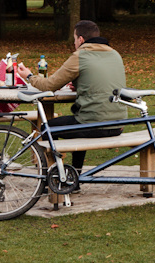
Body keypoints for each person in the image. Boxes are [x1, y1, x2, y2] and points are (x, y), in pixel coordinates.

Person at [26, 19, 127, 175]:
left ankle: (51, 177)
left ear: (80, 39)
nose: (74, 44)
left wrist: (29, 76)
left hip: (94, 124)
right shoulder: (115, 54)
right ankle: (76, 176)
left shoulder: (81, 55)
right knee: (79, 122)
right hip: (118, 124)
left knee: (48, 128)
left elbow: (49, 85)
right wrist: (81, 84)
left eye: (74, 40)